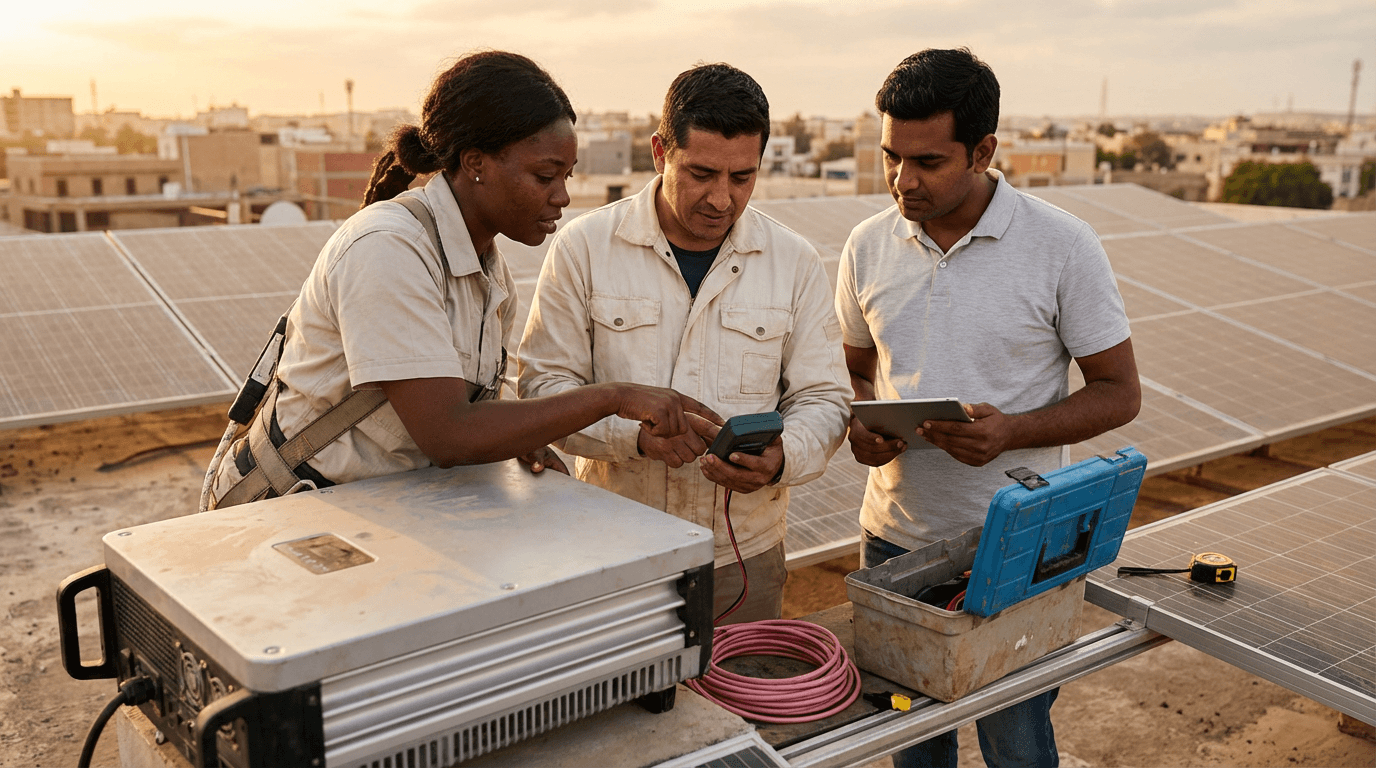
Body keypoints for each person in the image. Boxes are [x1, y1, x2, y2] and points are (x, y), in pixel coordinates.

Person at [205, 51, 715, 510]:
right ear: (474, 164)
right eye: (544, 176)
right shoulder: (389, 248)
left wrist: (521, 437)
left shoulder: (485, 268)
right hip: (282, 518)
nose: (561, 196)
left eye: (567, 176)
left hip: (369, 515)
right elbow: (450, 435)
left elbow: (472, 414)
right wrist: (614, 397)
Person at [835, 49, 1141, 767]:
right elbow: (853, 371)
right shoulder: (866, 244)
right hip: (894, 539)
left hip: (1021, 545)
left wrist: (1012, 434)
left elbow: (1120, 394)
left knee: (1016, 743)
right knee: (911, 738)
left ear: (983, 151)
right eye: (890, 157)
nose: (902, 181)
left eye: (928, 162)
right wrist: (864, 424)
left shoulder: (1062, 245)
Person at [517, 63, 852, 622]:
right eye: (700, 174)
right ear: (658, 152)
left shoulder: (792, 262)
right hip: (612, 550)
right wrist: (633, 438)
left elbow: (824, 398)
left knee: (736, 703)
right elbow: (542, 391)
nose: (722, 198)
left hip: (742, 558)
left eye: (742, 178)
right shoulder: (586, 249)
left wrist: (780, 458)